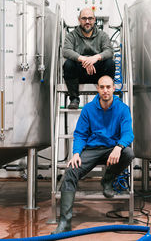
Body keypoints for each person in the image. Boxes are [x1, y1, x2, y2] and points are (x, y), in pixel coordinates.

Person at [52, 75, 134, 234]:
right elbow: (80, 134)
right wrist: (76, 153)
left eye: (108, 87)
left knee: (129, 153)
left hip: (112, 149)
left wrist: (119, 147)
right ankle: (64, 222)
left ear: (114, 88)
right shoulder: (89, 109)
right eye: (102, 87)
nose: (105, 90)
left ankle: (108, 180)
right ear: (97, 88)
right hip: (92, 149)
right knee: (70, 172)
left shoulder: (122, 109)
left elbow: (128, 134)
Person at [63, 7, 115, 109]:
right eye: (84, 18)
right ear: (79, 20)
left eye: (90, 18)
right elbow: (66, 51)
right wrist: (84, 59)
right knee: (68, 64)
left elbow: (109, 51)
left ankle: (106, 98)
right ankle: (74, 98)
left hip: (98, 74)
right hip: (79, 73)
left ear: (94, 20)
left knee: (110, 63)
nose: (87, 21)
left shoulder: (102, 35)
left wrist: (95, 58)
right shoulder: (72, 35)